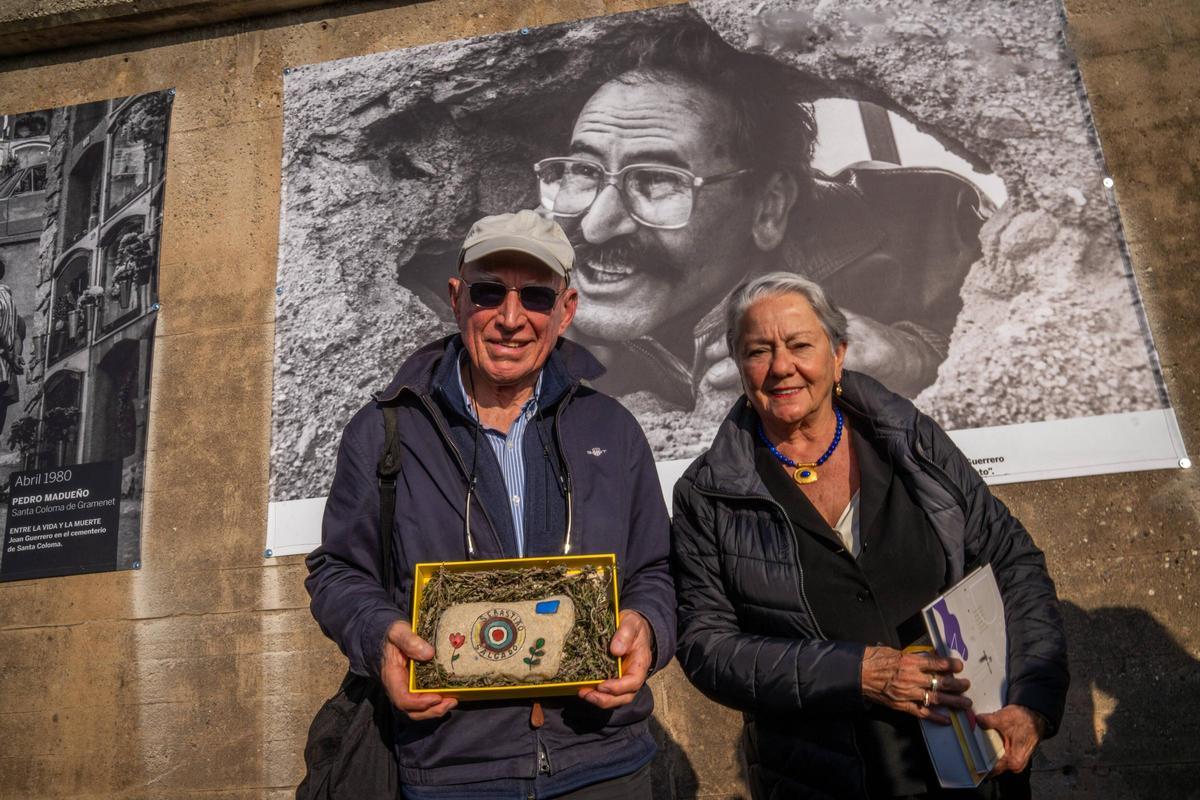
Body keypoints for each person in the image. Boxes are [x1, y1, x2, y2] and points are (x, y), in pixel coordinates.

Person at [305, 210, 675, 799]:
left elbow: (656, 569)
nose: (510, 318)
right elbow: (339, 570)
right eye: (487, 292)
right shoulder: (384, 431)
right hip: (450, 767)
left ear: (566, 310)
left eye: (534, 296)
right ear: (456, 300)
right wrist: (379, 636)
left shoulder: (614, 428)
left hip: (604, 760)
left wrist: (649, 629)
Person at [669, 272, 1068, 799]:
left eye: (799, 345)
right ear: (739, 366)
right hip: (819, 781)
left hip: (972, 769)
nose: (781, 367)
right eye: (758, 351)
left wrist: (1032, 702)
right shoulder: (709, 493)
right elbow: (707, 647)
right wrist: (857, 672)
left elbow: (1011, 558)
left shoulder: (909, 441)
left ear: (838, 354)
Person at [534, 18, 986, 406]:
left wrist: (912, 358)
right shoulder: (526, 269)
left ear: (768, 207)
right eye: (583, 170)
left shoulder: (936, 226)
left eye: (657, 180)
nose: (594, 228)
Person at [0, 258, 25, 430]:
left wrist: (9, 357)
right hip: (5, 373)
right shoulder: (8, 297)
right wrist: (15, 357)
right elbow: (17, 332)